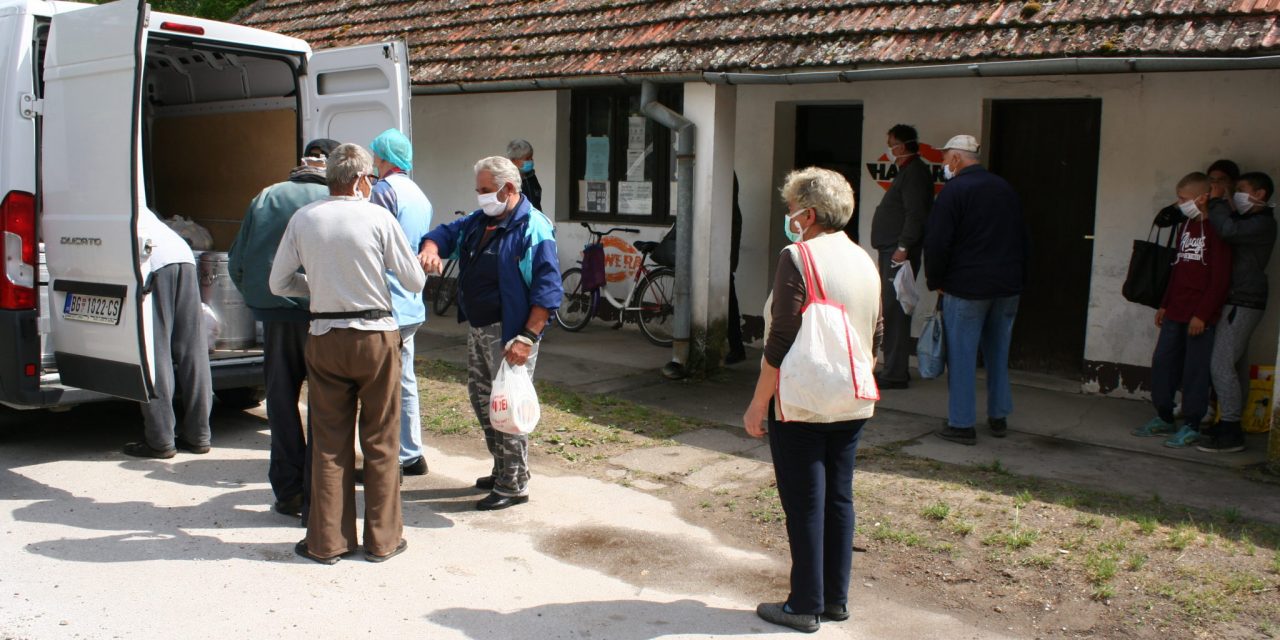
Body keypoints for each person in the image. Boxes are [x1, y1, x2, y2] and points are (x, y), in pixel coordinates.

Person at [741, 167, 882, 633]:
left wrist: (758, 402)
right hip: (852, 399)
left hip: (801, 400)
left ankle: (803, 604)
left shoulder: (797, 256)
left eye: (791, 210)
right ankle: (834, 600)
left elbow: (780, 337)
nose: (789, 218)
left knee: (804, 503)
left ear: (810, 214)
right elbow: (877, 331)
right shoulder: (863, 259)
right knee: (839, 499)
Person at [270, 143, 425, 564]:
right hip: (375, 336)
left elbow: (278, 283)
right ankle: (383, 540)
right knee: (381, 439)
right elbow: (414, 281)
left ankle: (327, 542)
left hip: (325, 333)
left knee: (328, 442)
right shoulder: (378, 217)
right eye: (369, 178)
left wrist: (319, 286)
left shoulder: (304, 218)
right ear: (360, 180)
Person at [417, 156, 561, 511]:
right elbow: (445, 234)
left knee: (507, 406)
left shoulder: (533, 227)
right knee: (484, 401)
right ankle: (503, 468)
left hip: (512, 334)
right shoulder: (480, 221)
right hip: (480, 328)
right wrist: (430, 249)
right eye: (478, 189)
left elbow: (547, 290)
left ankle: (514, 485)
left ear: (508, 188)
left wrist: (527, 338)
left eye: (485, 190)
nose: (480, 196)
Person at [228, 137, 336, 518]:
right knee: (326, 406)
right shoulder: (337, 201)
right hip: (325, 316)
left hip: (277, 317)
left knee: (281, 402)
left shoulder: (266, 197)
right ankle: (320, 494)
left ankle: (289, 491)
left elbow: (237, 261)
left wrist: (259, 299)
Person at [924, 134, 1029, 446]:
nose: (944, 164)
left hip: (967, 286)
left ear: (957, 159)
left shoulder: (953, 191)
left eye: (945, 158)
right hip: (1007, 285)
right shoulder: (1004, 188)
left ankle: (961, 424)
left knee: (962, 355)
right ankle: (998, 416)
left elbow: (937, 242)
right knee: (998, 352)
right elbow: (1024, 237)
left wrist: (936, 280)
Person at [1132, 172, 1231, 448]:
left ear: (1203, 197)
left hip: (1199, 316)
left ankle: (1192, 423)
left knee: (1195, 370)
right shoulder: (1186, 225)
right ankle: (1164, 416)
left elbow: (1220, 279)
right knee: (1163, 362)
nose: (1180, 203)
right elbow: (1175, 270)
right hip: (1175, 309)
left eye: (1184, 198)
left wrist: (1203, 314)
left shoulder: (1217, 230)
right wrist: (1165, 303)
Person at [369, 128, 434, 478]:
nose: (374, 162)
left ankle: (388, 460)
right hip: (411, 299)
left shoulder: (383, 191)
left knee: (383, 384)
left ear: (383, 159)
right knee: (405, 379)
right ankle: (411, 453)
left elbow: (372, 242)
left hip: (387, 300)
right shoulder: (419, 194)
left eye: (376, 156)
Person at [122, 210, 214, 459]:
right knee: (193, 349)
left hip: (151, 261)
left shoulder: (98, 205)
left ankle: (160, 439)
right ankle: (199, 435)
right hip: (182, 255)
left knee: (155, 349)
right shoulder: (135, 204)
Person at [1200, 172, 1275, 453]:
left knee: (1220, 364)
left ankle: (1231, 430)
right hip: (1238, 299)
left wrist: (1218, 202)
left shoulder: (1262, 223)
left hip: (1244, 300)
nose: (1237, 195)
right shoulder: (1249, 220)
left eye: (1242, 190)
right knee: (1231, 364)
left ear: (1261, 193)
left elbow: (1228, 230)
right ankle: (1229, 421)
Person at [870, 124, 933, 389]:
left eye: (892, 144)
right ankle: (893, 368)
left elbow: (915, 214)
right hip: (892, 249)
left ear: (902, 146)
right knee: (891, 308)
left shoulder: (915, 173)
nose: (890, 149)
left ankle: (895, 372)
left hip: (898, 252)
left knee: (895, 309)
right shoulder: (908, 171)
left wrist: (904, 246)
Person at [726, 174, 746, 364]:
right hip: (723, 256)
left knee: (729, 300)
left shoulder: (729, 213)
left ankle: (736, 347)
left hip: (723, 257)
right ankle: (736, 346)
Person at [506, 139, 542, 211]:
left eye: (531, 158)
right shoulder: (506, 180)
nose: (531, 161)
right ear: (514, 160)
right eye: (527, 158)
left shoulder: (531, 176)